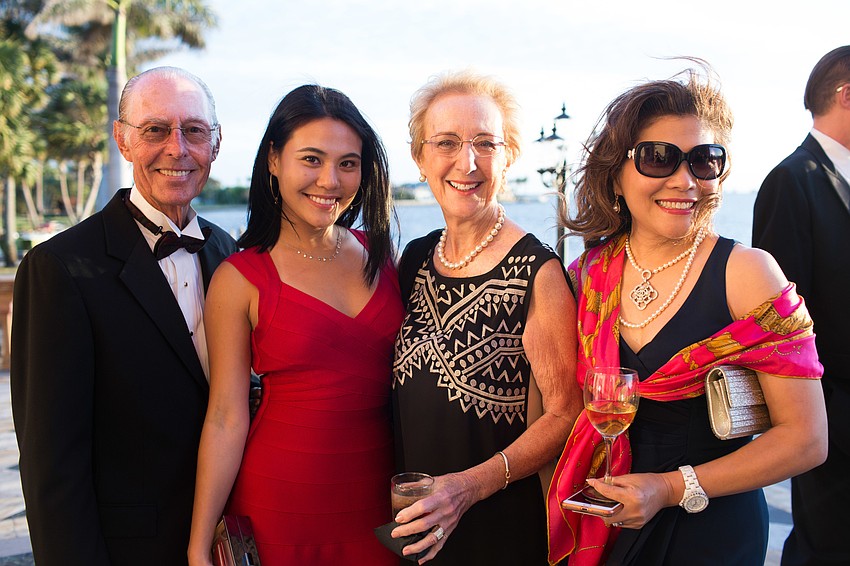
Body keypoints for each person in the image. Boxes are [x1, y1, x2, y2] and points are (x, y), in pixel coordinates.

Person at [546, 66, 828, 566]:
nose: (684, 180)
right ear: (616, 173)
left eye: (704, 160)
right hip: (606, 522)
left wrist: (669, 488)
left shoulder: (747, 273)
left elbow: (806, 440)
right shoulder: (584, 277)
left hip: (711, 530)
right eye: (658, 158)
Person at [10, 66, 237, 565]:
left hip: (226, 544)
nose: (177, 148)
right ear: (123, 140)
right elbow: (51, 467)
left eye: (194, 130)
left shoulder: (231, 254)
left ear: (215, 144)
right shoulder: (59, 268)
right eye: (155, 129)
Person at [187, 84, 401, 565]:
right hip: (281, 506)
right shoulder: (240, 277)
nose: (330, 180)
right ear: (273, 161)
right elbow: (225, 416)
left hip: (379, 506)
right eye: (311, 159)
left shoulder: (384, 257)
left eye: (348, 163)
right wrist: (199, 543)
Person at [390, 70, 583, 565]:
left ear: (509, 154)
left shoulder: (537, 272)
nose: (467, 162)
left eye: (485, 143)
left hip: (498, 528)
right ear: (420, 157)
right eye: (447, 143)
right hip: (416, 527)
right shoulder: (412, 259)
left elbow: (567, 412)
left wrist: (468, 487)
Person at [753, 46, 850, 566]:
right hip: (830, 417)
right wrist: (824, 411)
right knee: (825, 549)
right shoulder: (792, 180)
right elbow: (778, 322)